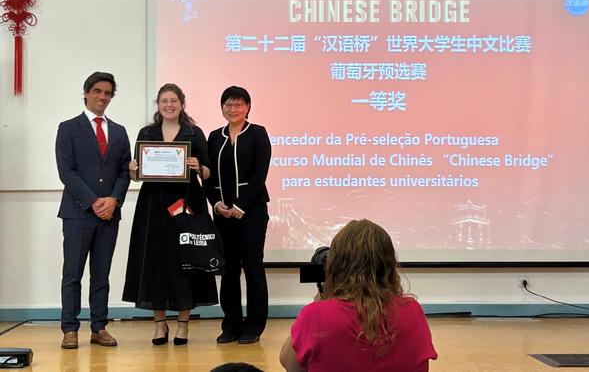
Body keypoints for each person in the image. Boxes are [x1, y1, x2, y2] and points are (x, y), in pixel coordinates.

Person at [122, 83, 218, 345]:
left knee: (186, 261)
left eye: (174, 101)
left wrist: (198, 166)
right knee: (156, 262)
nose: (169, 105)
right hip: (153, 206)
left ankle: (183, 325)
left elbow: (208, 172)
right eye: (164, 101)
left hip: (187, 203)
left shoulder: (194, 132)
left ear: (182, 104)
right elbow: (136, 175)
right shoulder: (147, 133)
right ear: (158, 104)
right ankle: (159, 324)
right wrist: (133, 169)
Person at [280, 219, 438, 372]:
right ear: (389, 266)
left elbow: (289, 364)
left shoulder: (315, 315)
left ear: (334, 266)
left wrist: (322, 299)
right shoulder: (413, 311)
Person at [56, 71, 131, 349]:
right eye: (97, 91)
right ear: (86, 93)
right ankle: (69, 329)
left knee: (101, 274)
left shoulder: (119, 131)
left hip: (110, 214)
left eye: (108, 93)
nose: (102, 97)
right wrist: (94, 201)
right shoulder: (68, 128)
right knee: (72, 274)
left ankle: (99, 327)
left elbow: (124, 171)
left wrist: (114, 200)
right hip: (78, 213)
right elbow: (67, 171)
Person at [206, 86, 271, 345]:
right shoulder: (214, 137)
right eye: (228, 105)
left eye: (238, 104)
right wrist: (216, 203)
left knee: (253, 268)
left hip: (252, 212)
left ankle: (253, 326)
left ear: (247, 107)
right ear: (222, 107)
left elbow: (259, 174)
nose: (233, 109)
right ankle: (231, 325)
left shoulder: (257, 133)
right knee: (228, 270)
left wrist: (241, 206)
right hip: (223, 213)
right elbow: (208, 176)